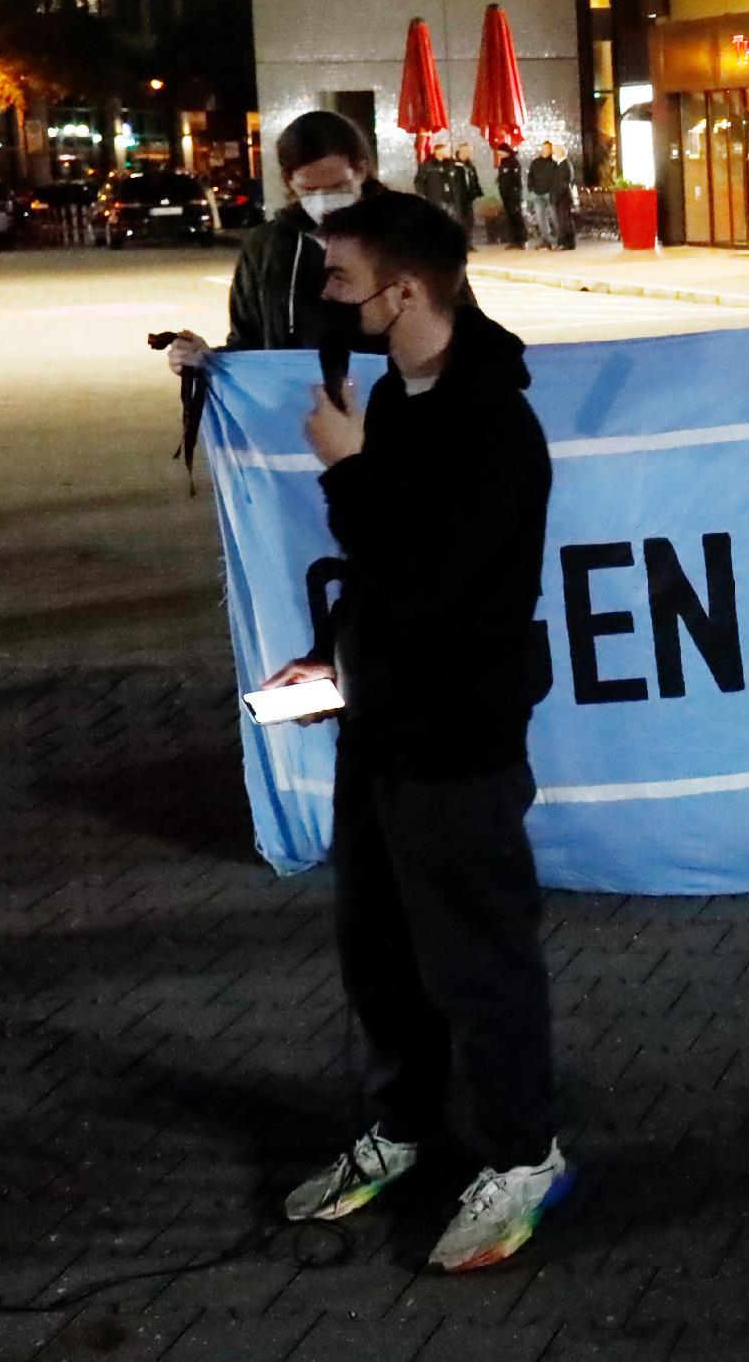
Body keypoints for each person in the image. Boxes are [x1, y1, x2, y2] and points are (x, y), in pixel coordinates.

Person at [265, 191, 565, 1273]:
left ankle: (525, 1156)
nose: (330, 300)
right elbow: (383, 577)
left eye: (344, 282)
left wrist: (344, 467)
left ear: (405, 290)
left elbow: (438, 580)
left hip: (459, 736)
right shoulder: (398, 392)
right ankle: (402, 1127)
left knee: (477, 958)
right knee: (379, 948)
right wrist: (332, 657)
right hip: (380, 722)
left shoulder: (491, 420)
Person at [162, 108, 382, 374]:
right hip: (292, 406)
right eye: (310, 190)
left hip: (387, 405)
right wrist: (206, 359)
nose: (324, 203)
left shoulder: (406, 232)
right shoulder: (265, 247)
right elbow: (247, 343)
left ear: (361, 169)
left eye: (338, 188)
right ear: (289, 181)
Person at [526, 141, 574, 252]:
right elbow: (530, 176)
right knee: (541, 218)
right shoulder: (536, 162)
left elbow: (560, 180)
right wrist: (531, 188)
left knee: (556, 217)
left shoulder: (555, 163)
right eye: (543, 149)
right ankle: (546, 241)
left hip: (551, 194)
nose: (545, 151)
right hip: (538, 194)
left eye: (547, 149)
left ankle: (560, 240)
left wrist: (553, 191)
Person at [447, 143, 485, 244]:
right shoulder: (453, 166)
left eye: (468, 152)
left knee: (469, 221)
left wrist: (477, 191)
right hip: (458, 197)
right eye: (465, 151)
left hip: (468, 197)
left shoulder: (470, 166)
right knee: (459, 220)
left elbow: (474, 180)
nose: (467, 154)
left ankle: (468, 243)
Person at [494, 147, 526, 250]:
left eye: (501, 152)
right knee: (510, 218)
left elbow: (517, 180)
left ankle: (521, 240)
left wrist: (517, 194)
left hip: (513, 195)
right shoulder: (503, 163)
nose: (499, 154)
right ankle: (513, 240)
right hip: (506, 196)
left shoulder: (514, 163)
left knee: (517, 218)